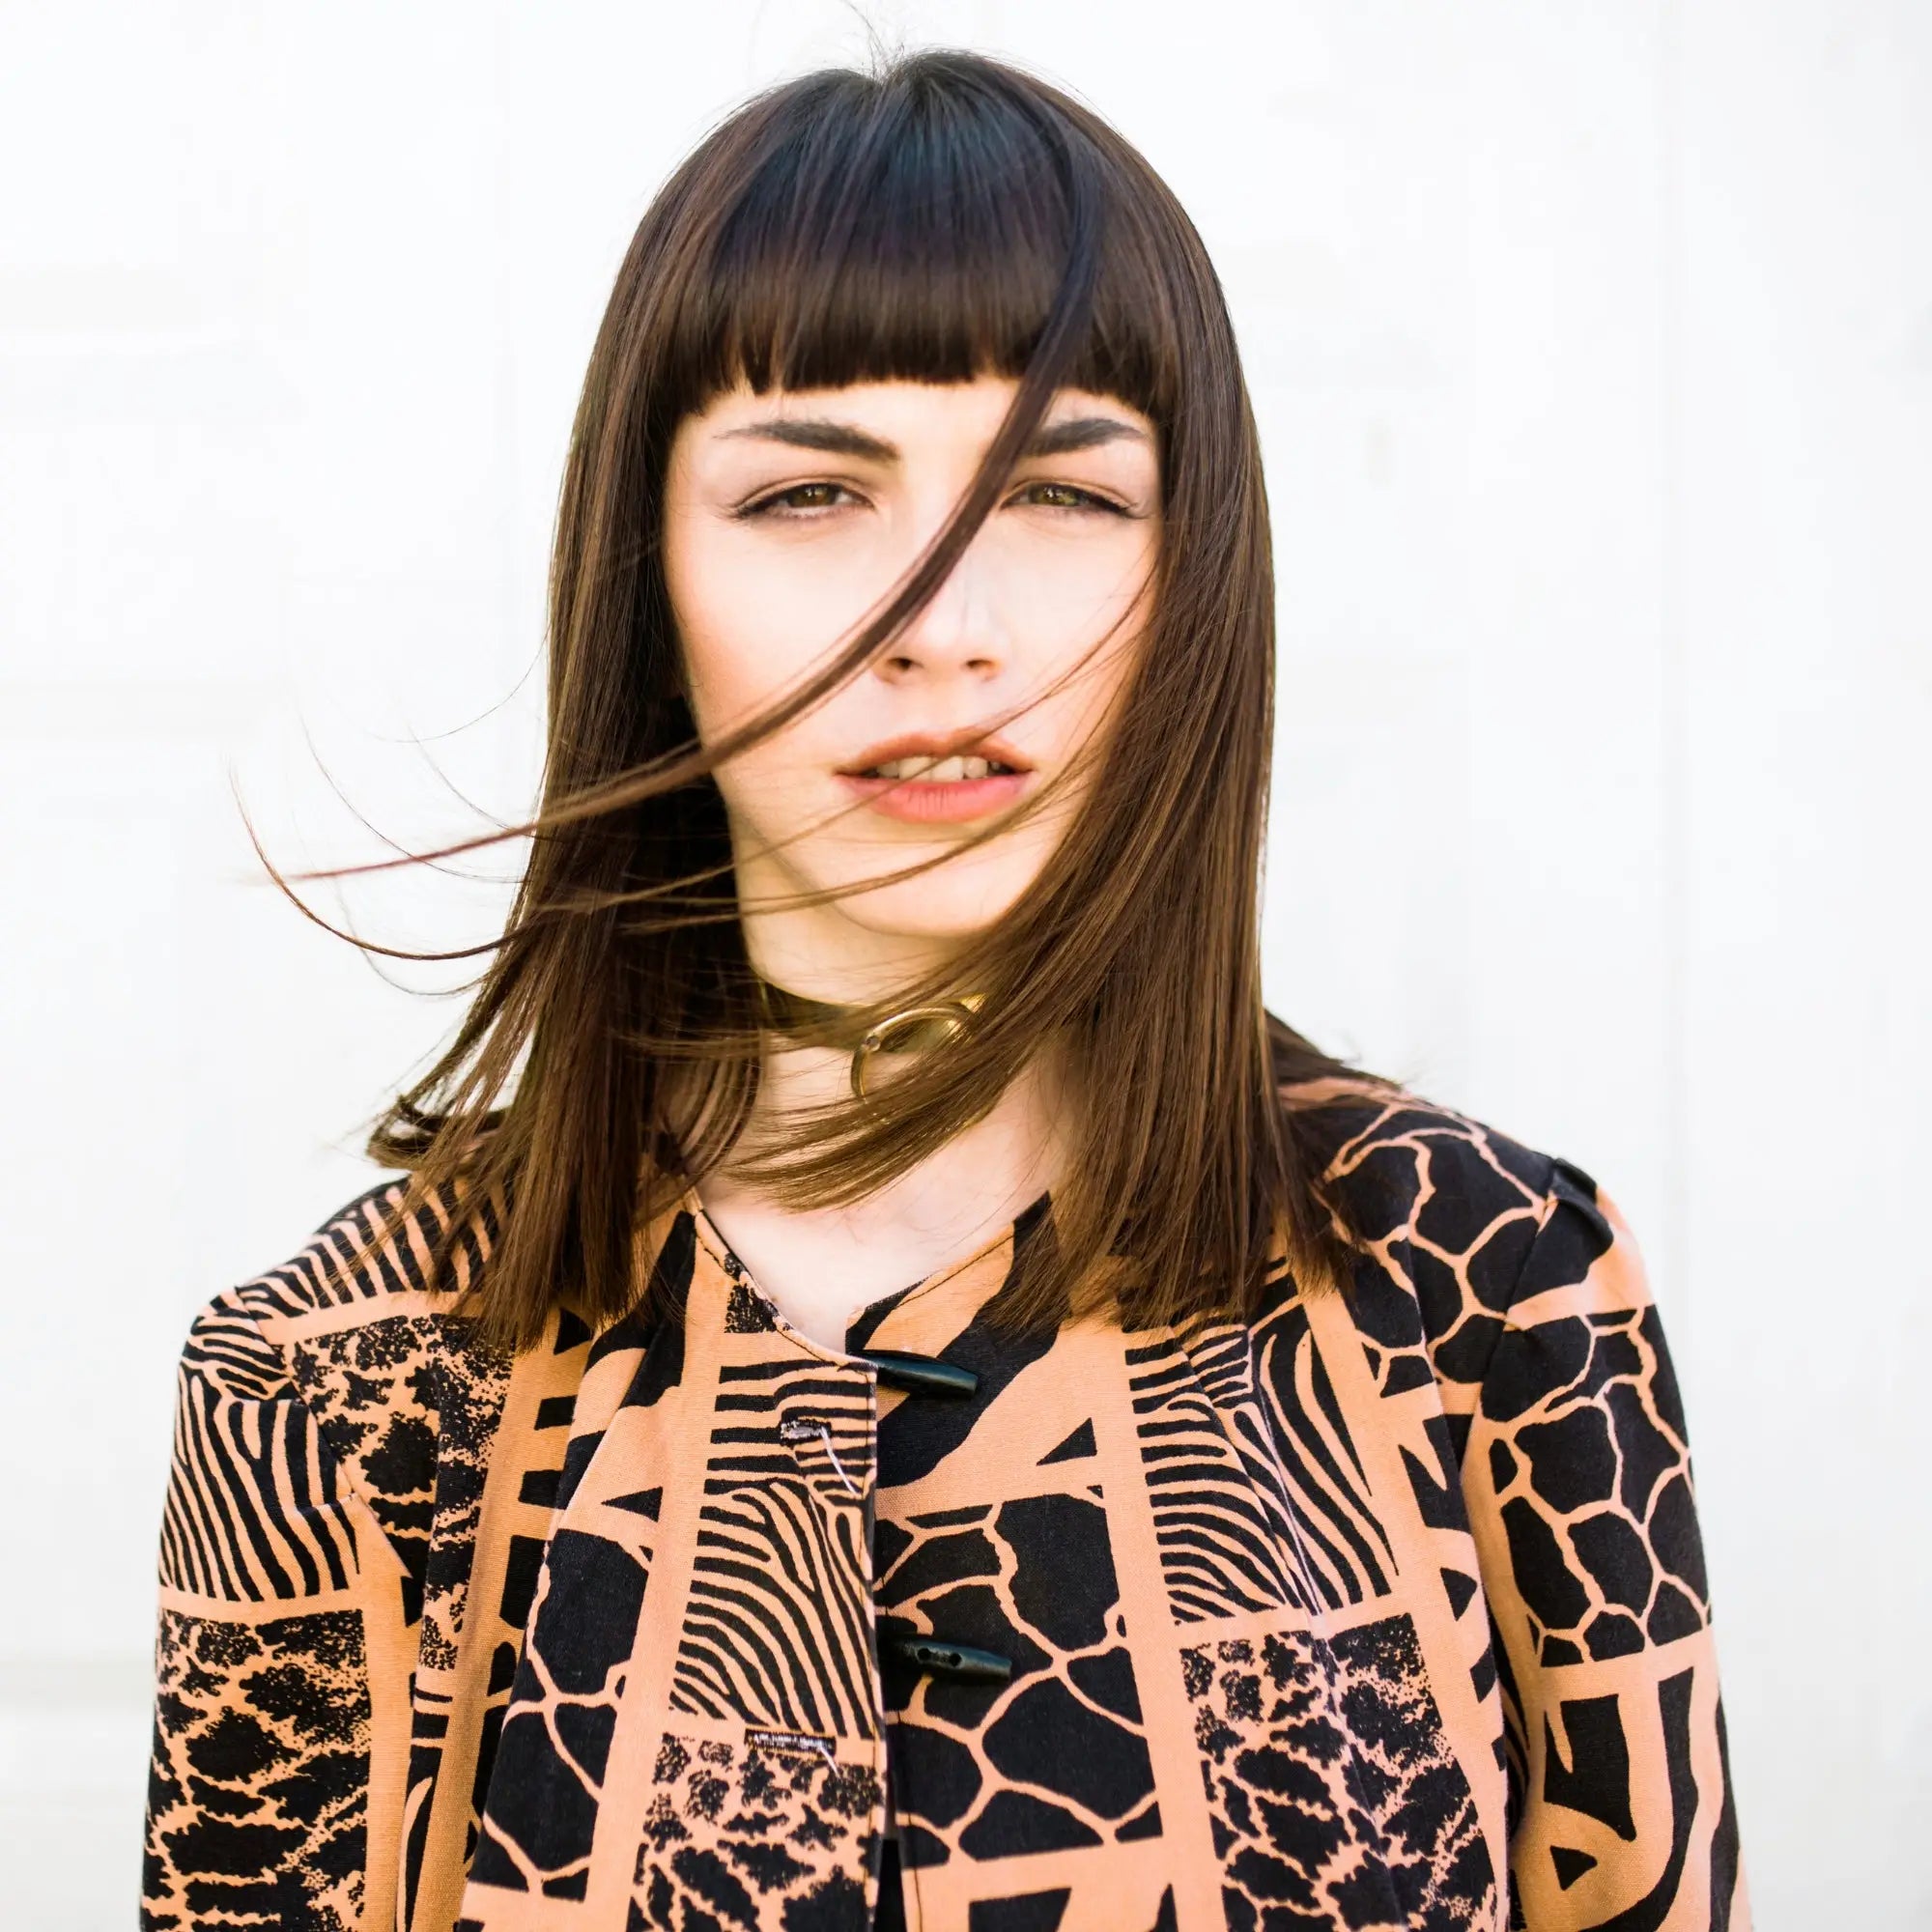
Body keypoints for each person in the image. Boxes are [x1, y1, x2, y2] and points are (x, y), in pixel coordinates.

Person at [138, 48, 1747, 1932]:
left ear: (1191, 570)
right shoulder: (332, 1379)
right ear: (647, 574)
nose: (942, 624)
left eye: (1061, 492)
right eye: (812, 491)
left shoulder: (1492, 1280)